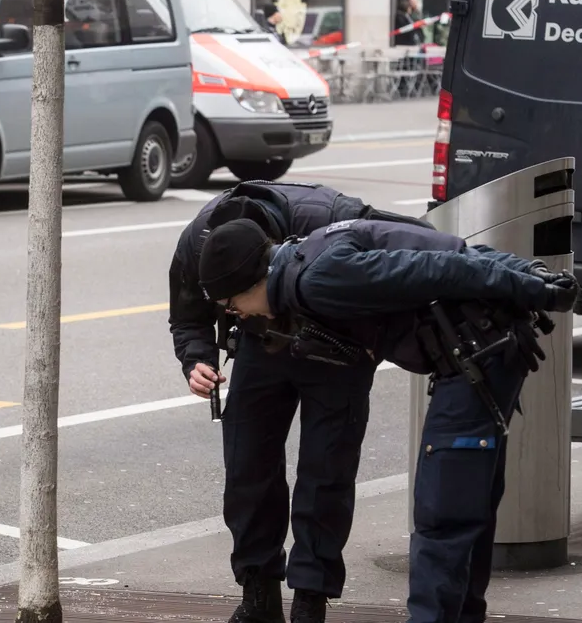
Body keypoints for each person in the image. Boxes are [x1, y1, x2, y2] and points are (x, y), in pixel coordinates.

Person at [196, 217, 580, 623]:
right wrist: (525, 271)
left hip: (476, 356)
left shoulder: (318, 279)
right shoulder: (313, 253)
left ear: (252, 283)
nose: (234, 313)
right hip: (484, 353)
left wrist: (535, 287)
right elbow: (444, 249)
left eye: (231, 304)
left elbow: (441, 268)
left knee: (442, 516)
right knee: (469, 511)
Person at [168, 182, 433, 623]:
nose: (230, 308)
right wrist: (197, 358)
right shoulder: (199, 244)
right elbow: (187, 314)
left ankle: (311, 597)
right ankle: (259, 594)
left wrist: (376, 340)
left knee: (325, 474)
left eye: (235, 301)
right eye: (226, 304)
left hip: (339, 346)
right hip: (261, 345)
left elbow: (407, 255)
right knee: (247, 467)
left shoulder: (329, 217)